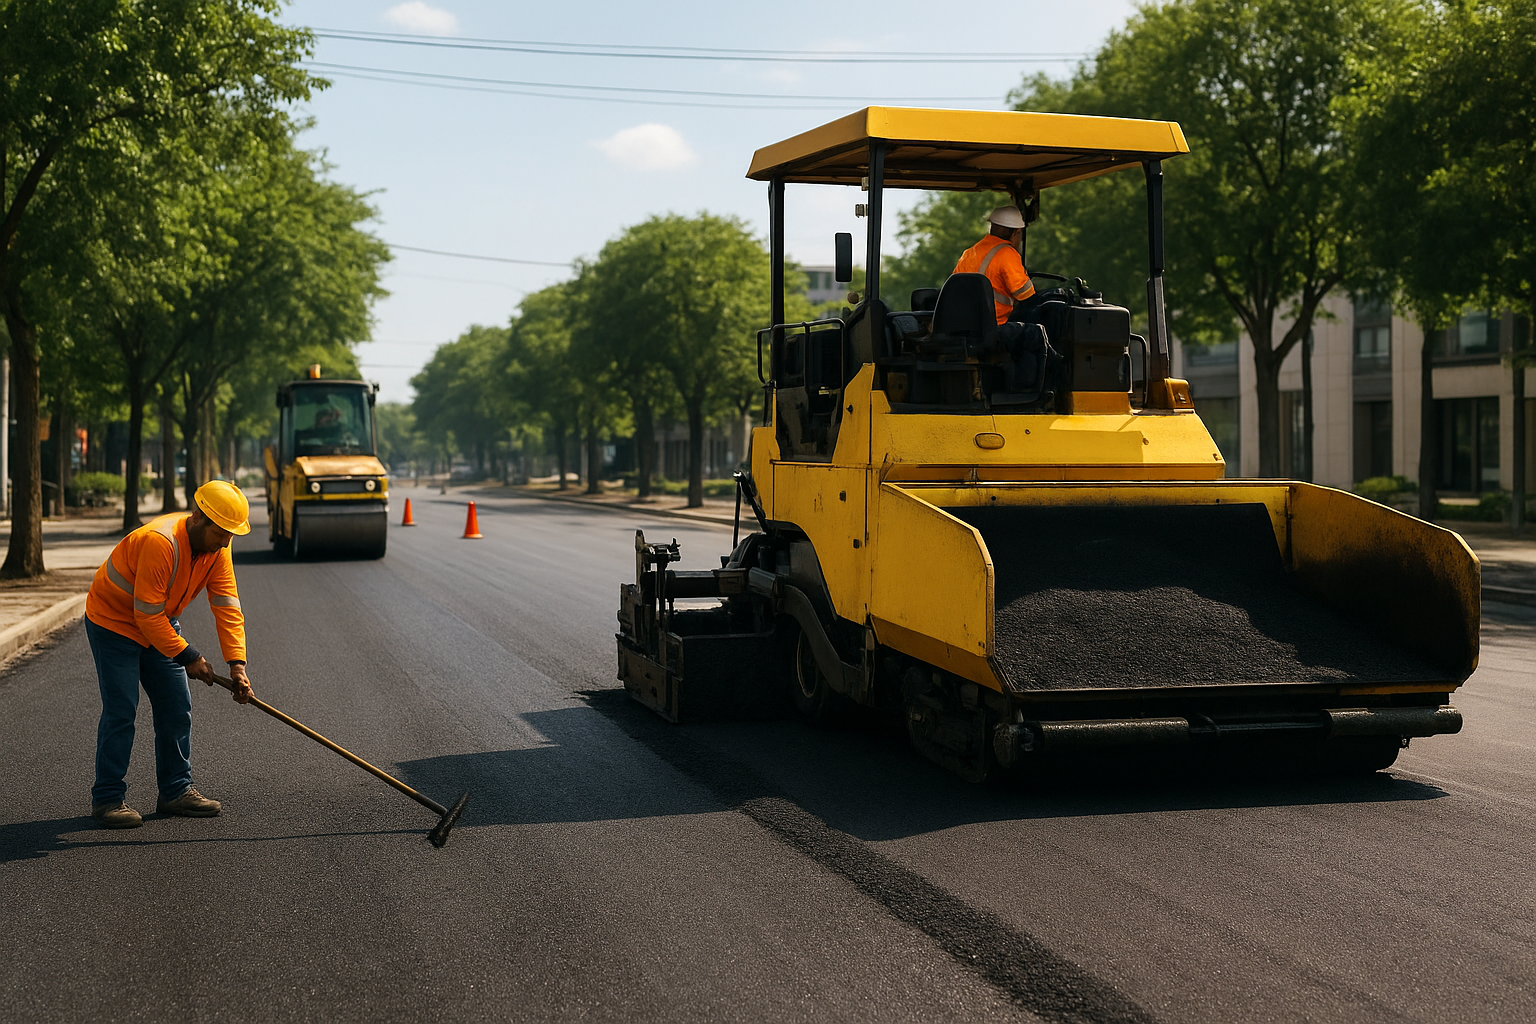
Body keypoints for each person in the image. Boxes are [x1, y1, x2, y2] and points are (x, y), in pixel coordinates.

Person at [85, 480, 255, 829]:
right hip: (114, 623)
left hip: (158, 623)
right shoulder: (160, 541)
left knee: (176, 706)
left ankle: (176, 791)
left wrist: (237, 666)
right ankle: (107, 798)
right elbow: (145, 615)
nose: (226, 542)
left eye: (230, 535)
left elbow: (226, 605)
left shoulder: (217, 549)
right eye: (221, 533)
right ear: (198, 518)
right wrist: (189, 656)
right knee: (121, 710)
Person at [953, 205, 1036, 325]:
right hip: (996, 325)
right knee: (1035, 332)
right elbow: (1025, 295)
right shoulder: (1007, 254)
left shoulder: (969, 253)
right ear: (1016, 232)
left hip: (965, 323)